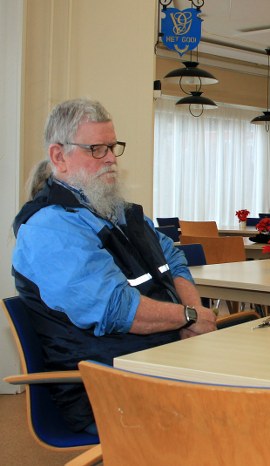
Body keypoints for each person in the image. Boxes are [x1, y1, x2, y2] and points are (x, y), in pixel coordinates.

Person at [11, 98, 217, 434]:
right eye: (96, 149)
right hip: (106, 387)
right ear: (59, 157)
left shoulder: (118, 212)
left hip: (159, 360)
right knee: (244, 412)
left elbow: (173, 259)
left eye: (112, 146)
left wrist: (193, 316)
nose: (110, 158)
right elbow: (118, 309)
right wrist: (189, 317)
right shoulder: (49, 228)